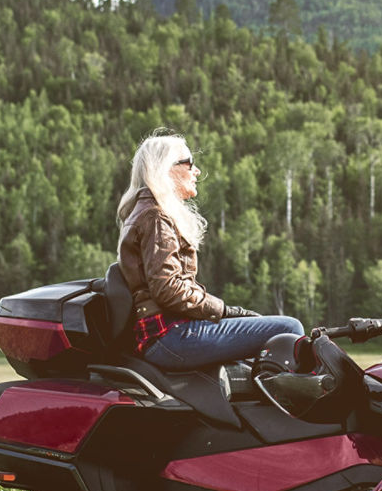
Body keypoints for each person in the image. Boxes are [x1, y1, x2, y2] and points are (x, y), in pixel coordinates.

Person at [117, 128, 303, 371]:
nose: (197, 171)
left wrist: (225, 313)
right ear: (166, 168)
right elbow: (168, 288)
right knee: (288, 329)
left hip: (166, 332)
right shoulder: (156, 217)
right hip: (170, 334)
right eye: (189, 163)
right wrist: (224, 310)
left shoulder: (143, 212)